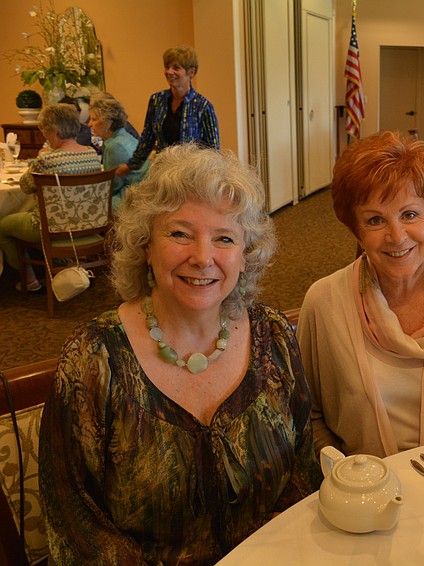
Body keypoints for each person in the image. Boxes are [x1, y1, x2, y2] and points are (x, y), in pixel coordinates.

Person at [38, 144, 322, 563]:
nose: (202, 257)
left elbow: (301, 473)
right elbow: (76, 522)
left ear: (245, 256)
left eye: (224, 238)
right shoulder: (93, 359)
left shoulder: (274, 336)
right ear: (145, 246)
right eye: (180, 233)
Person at [297, 130, 424, 458]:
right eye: (375, 220)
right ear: (356, 231)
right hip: (357, 488)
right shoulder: (324, 302)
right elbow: (311, 416)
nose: (397, 236)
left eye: (409, 215)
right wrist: (355, 479)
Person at [0, 104, 101, 292]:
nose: (43, 134)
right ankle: (64, 262)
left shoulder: (47, 160)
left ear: (54, 131)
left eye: (44, 130)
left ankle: (29, 279)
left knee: (3, 226)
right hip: (88, 225)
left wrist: (41, 157)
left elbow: (25, 186)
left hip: (53, 227)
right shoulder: (92, 154)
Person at [116, 45, 220, 178]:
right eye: (167, 67)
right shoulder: (156, 100)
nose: (169, 72)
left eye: (176, 68)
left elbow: (213, 150)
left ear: (191, 72)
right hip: (162, 172)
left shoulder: (203, 106)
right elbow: (148, 137)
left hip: (191, 176)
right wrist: (131, 166)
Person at [88, 95, 150, 210]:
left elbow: (113, 186)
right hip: (141, 194)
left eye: (94, 119)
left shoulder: (115, 146)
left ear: (108, 123)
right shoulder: (124, 137)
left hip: (131, 198)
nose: (89, 124)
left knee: (89, 206)